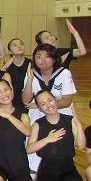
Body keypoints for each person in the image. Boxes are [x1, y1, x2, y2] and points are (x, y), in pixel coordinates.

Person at [26, 90, 86, 181]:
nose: (48, 105)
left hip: (67, 166)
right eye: (43, 104)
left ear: (55, 100)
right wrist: (48, 139)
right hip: (47, 168)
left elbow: (82, 145)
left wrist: (78, 125)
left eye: (50, 100)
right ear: (39, 108)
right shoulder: (38, 124)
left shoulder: (69, 120)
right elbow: (29, 149)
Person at [22, 43, 77, 172]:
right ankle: (33, 177)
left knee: (61, 150)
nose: (43, 60)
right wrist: (29, 79)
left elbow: (67, 101)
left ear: (54, 58)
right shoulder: (32, 74)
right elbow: (25, 100)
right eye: (38, 56)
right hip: (38, 117)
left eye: (47, 56)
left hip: (60, 116)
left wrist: (40, 105)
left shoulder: (64, 73)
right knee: (34, 155)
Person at [1, 38, 31, 109]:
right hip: (12, 103)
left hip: (29, 103)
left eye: (21, 44)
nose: (19, 46)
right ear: (10, 51)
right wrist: (4, 68)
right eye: (15, 45)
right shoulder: (7, 66)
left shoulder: (31, 64)